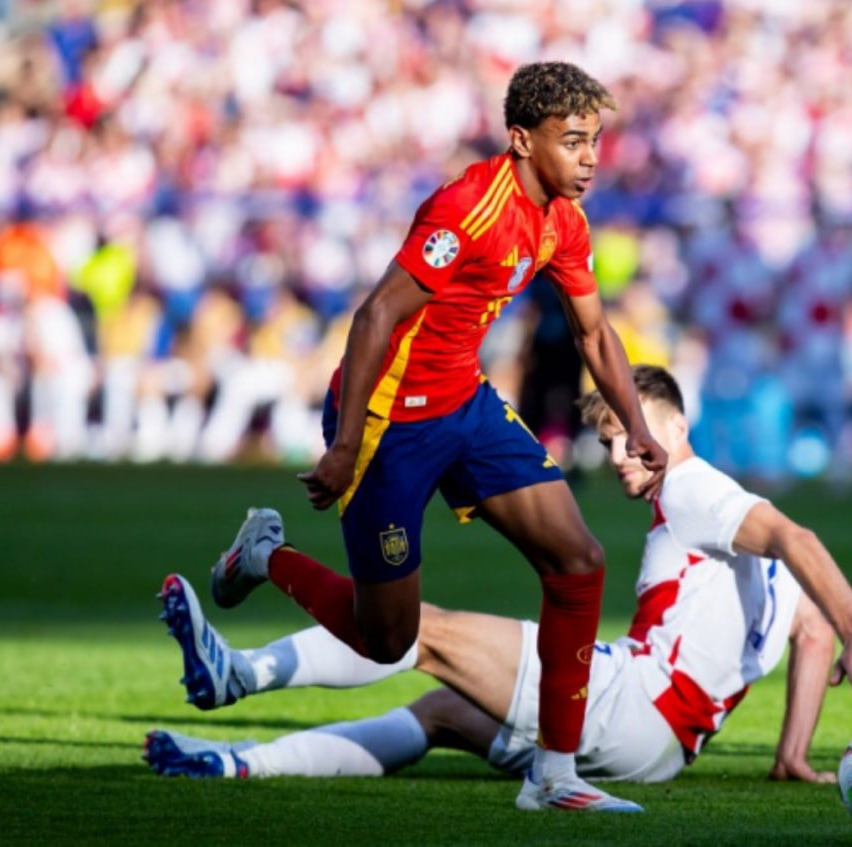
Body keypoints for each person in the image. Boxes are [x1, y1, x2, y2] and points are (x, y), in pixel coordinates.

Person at [207, 62, 667, 812]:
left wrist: (638, 427)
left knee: (579, 560)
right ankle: (265, 555)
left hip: (465, 404)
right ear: (522, 140)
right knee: (386, 640)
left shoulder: (563, 219)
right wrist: (346, 444)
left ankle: (553, 777)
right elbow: (375, 316)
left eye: (595, 141)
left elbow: (594, 333)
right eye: (573, 141)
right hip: (388, 421)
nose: (590, 158)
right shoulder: (468, 208)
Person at [146, 365, 852, 790]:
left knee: (419, 632)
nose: (620, 456)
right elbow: (809, 632)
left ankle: (241, 664)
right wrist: (792, 753)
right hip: (664, 754)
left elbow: (798, 538)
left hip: (630, 702)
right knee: (442, 712)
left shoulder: (692, 487)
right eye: (609, 442)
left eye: (631, 436)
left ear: (677, 426)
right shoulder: (749, 547)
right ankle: (237, 763)